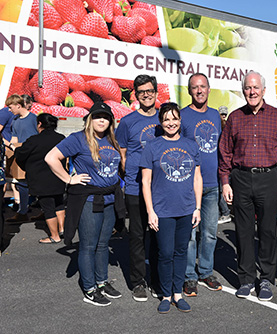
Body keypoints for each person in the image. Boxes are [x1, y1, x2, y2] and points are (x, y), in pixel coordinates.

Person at [219, 71, 277, 301]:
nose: (252, 92)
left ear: (263, 90)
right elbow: (225, 152)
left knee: (268, 232)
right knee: (243, 231)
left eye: (255, 88)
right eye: (248, 88)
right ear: (244, 91)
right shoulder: (235, 117)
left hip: (269, 178)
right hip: (240, 178)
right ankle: (246, 278)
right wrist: (225, 181)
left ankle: (267, 279)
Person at [45, 102, 125, 307]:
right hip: (89, 201)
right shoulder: (78, 139)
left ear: (110, 121)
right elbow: (51, 157)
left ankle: (102, 282)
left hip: (109, 199)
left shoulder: (111, 139)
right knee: (88, 246)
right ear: (90, 119)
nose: (102, 120)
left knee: (102, 244)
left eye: (106, 117)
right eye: (98, 116)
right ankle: (89, 289)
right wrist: (68, 178)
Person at [140, 102, 202, 314]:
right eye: (166, 119)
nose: (171, 123)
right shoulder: (152, 147)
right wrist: (151, 211)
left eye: (174, 118)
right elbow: (145, 182)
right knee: (165, 253)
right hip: (162, 210)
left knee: (181, 252)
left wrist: (198, 207)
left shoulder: (191, 145)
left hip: (186, 208)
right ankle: (166, 295)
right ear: (160, 122)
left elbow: (197, 178)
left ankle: (178, 293)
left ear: (180, 120)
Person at [115, 74, 163, 302]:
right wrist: (133, 175)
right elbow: (122, 155)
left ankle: (156, 279)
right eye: (142, 91)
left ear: (155, 93)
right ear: (135, 94)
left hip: (161, 190)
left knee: (157, 237)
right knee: (136, 236)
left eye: (150, 91)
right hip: (135, 188)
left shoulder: (164, 119)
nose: (146, 94)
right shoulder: (127, 122)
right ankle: (138, 282)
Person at [180, 73, 223, 296]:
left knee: (210, 233)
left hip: (213, 184)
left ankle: (206, 271)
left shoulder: (216, 116)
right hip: (189, 186)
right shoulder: (182, 116)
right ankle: (189, 276)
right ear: (189, 91)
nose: (199, 91)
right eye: (195, 87)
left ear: (209, 89)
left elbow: (222, 149)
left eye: (203, 86)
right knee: (190, 235)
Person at [15, 113, 66, 244]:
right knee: (59, 203)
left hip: (41, 179)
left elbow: (20, 155)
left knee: (48, 207)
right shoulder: (61, 138)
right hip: (59, 177)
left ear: (40, 124)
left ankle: (54, 236)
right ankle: (62, 229)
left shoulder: (34, 140)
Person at [5, 94, 38, 222]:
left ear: (18, 105)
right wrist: (10, 147)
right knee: (21, 185)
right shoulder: (15, 121)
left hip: (35, 157)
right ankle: (23, 211)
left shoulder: (34, 119)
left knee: (37, 184)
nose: (9, 110)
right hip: (23, 157)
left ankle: (45, 212)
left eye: (10, 107)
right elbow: (15, 140)